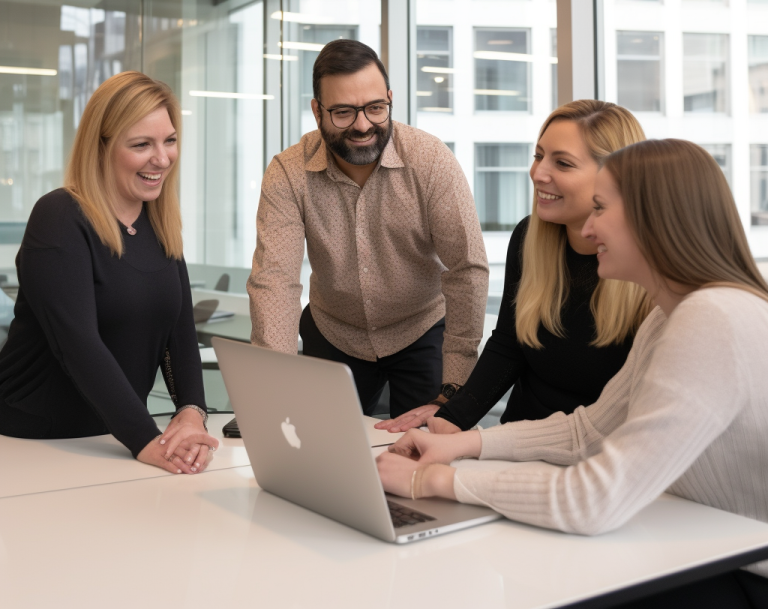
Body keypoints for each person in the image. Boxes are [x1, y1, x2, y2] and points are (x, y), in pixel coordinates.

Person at [377, 139, 768, 607]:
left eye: (601, 208)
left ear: (652, 220)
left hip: (744, 572)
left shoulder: (711, 319)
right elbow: (590, 432)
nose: (589, 225)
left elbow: (594, 499)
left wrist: (433, 483)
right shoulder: (671, 315)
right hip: (705, 545)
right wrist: (460, 445)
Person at [248, 39, 488, 417]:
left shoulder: (431, 161)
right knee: (321, 452)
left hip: (421, 330)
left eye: (376, 108)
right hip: (334, 331)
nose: (363, 125)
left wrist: (455, 382)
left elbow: (467, 270)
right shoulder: (288, 172)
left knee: (424, 456)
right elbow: (275, 282)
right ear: (317, 111)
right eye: (343, 112)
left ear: (390, 99)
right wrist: (275, 388)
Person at [376, 100, 649, 434]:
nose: (538, 173)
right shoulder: (528, 238)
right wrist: (449, 418)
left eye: (562, 163)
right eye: (538, 156)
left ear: (613, 177)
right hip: (516, 440)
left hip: (601, 457)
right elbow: (510, 345)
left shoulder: (651, 271)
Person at [0, 71, 218, 474]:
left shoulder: (160, 221)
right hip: (40, 438)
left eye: (169, 140)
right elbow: (78, 343)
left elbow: (179, 332)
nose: (162, 157)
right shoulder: (61, 216)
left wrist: (191, 411)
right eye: (141, 145)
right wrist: (145, 439)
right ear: (100, 147)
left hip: (114, 436)